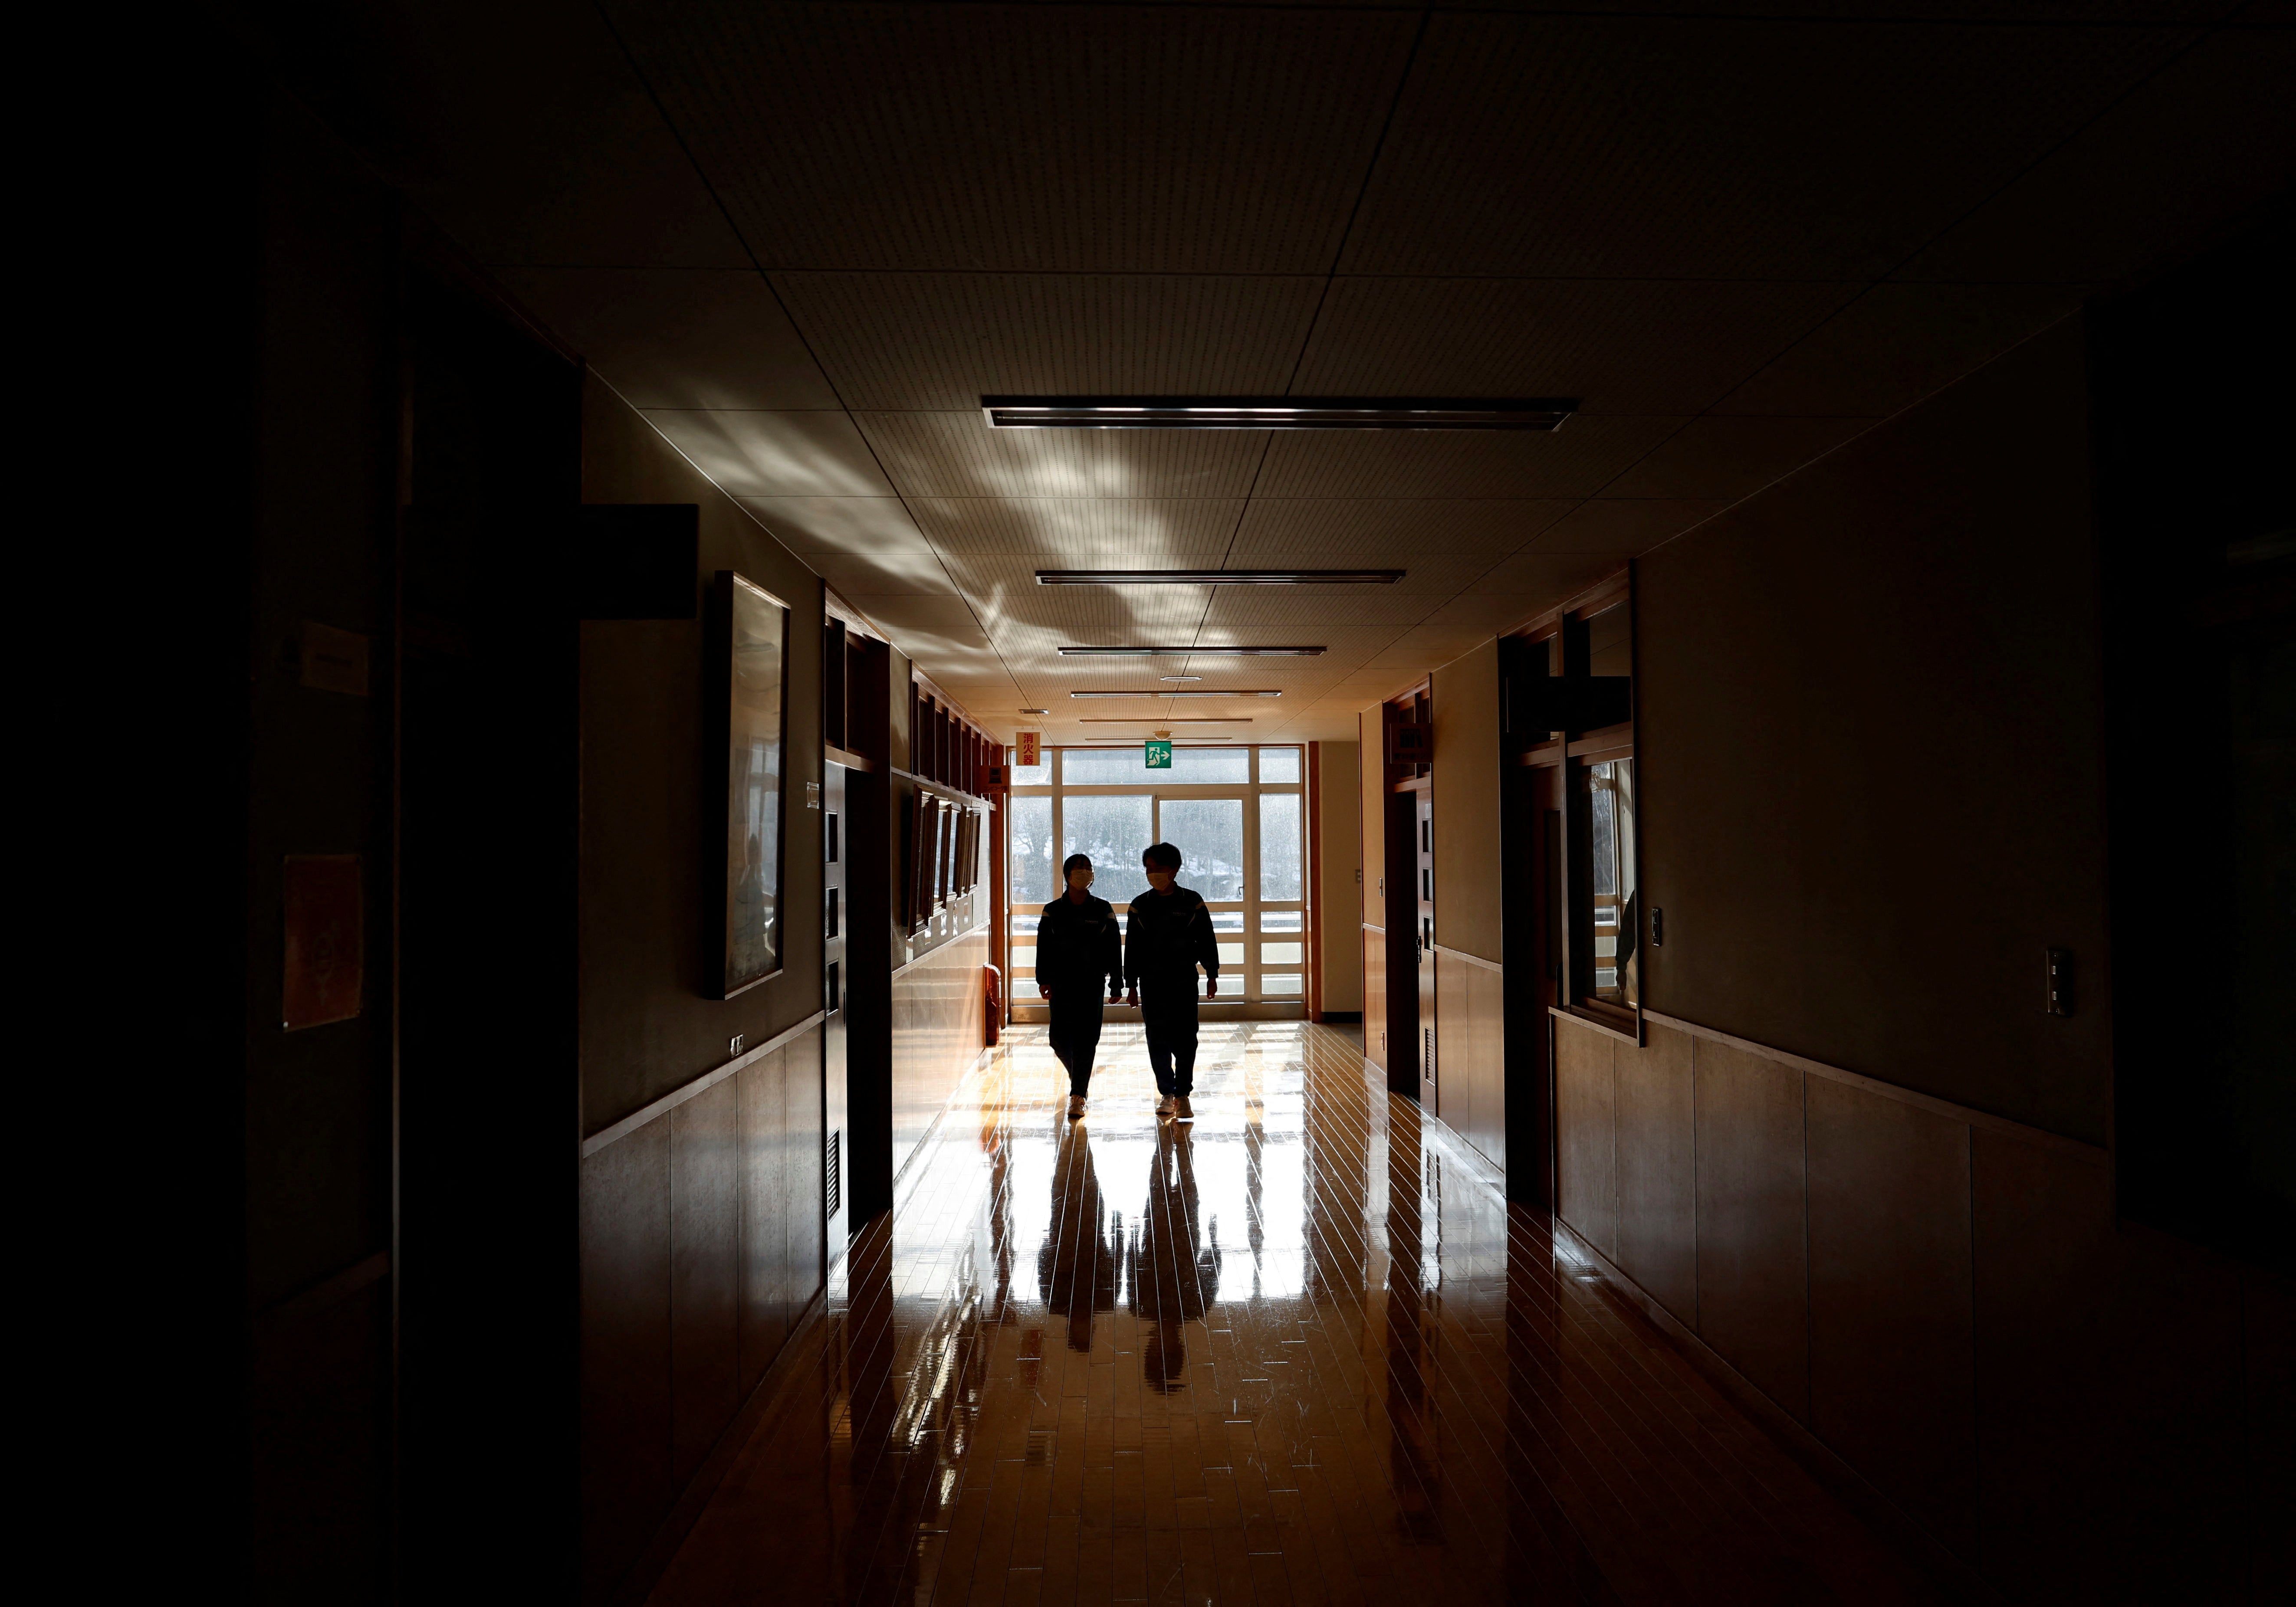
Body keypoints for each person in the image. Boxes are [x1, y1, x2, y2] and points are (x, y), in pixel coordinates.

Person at [1123, 842, 1219, 1122]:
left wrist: (1212, 974)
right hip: (1152, 983)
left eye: (1159, 869)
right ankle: (1166, 1092)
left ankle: (1183, 1095)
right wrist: (1131, 985)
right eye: (1149, 869)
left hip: (1183, 981)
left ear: (1174, 870)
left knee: (1186, 1039)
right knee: (1157, 1039)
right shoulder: (1140, 906)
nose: (1153, 874)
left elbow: (1207, 941)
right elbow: (1132, 949)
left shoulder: (1192, 902)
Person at [1035, 853, 1122, 1119]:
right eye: (1079, 868)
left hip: (1092, 983)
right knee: (1059, 1040)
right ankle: (1079, 1077)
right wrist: (1043, 979)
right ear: (1067, 875)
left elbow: (1114, 948)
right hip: (1061, 984)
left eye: (1089, 868)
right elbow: (1044, 948)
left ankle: (1078, 1096)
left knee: (1086, 1040)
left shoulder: (1102, 909)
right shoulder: (1053, 911)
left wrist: (1118, 983)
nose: (1085, 872)